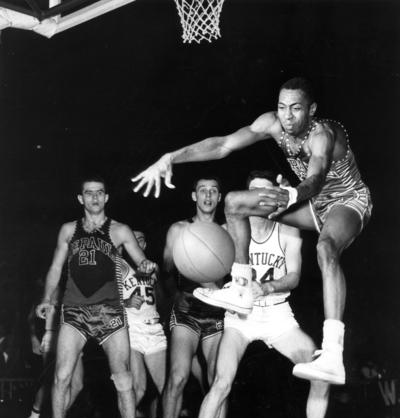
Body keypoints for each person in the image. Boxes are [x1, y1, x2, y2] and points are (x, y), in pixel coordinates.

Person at [132, 77, 372, 386]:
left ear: (311, 110)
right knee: (234, 203)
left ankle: (333, 355)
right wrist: (171, 157)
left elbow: (316, 177)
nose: (287, 116)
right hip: (307, 201)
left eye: (296, 109)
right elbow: (222, 145)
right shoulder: (272, 124)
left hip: (346, 200)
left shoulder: (323, 135)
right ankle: (242, 286)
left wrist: (293, 195)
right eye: (282, 107)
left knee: (325, 248)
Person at [181, 171, 330, 418]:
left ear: (274, 196)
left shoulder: (288, 229)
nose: (257, 200)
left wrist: (265, 288)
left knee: (321, 369)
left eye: (264, 193)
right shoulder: (229, 230)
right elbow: (206, 270)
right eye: (252, 193)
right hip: (240, 317)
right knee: (221, 383)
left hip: (277, 314)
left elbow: (294, 277)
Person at [36, 175, 156, 418]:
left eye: (99, 193)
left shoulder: (120, 230)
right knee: (62, 376)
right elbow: (54, 268)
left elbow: (142, 265)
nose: (94, 198)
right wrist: (48, 299)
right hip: (75, 311)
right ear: (81, 199)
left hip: (111, 312)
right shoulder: (68, 230)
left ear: (106, 197)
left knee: (124, 380)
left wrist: (147, 268)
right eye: (88, 194)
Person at [151, 177, 227, 418]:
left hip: (218, 313)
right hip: (187, 311)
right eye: (203, 190)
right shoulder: (179, 229)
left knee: (218, 380)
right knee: (178, 376)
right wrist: (187, 253)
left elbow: (237, 272)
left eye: (213, 190)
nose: (208, 195)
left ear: (219, 197)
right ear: (194, 195)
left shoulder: (228, 230)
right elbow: (168, 269)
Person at [105, 230, 169, 418]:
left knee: (167, 389)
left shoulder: (151, 268)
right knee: (139, 388)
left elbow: (161, 299)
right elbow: (103, 300)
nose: (138, 243)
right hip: (131, 329)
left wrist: (156, 284)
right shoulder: (117, 264)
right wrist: (126, 302)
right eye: (134, 239)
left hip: (153, 329)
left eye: (142, 239)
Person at [26, 283, 83, 418]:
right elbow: (31, 316)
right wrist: (33, 338)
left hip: (74, 336)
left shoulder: (78, 283)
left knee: (78, 385)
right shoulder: (53, 285)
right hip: (53, 336)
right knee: (50, 381)